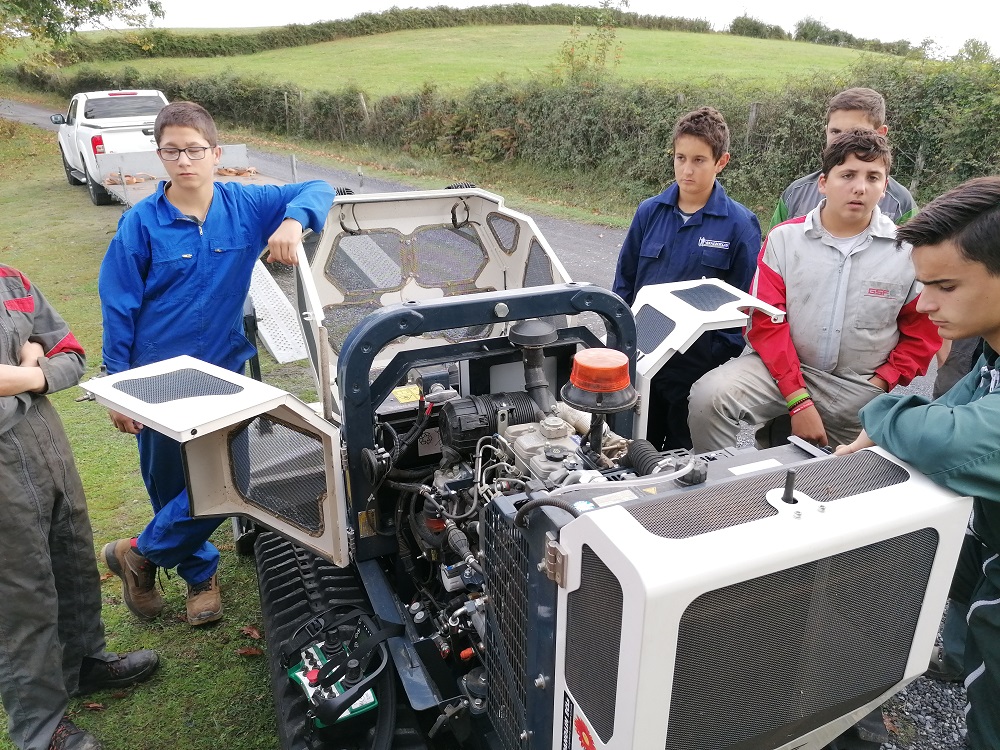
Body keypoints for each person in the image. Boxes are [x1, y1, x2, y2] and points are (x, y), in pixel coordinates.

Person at [99, 101, 335, 627]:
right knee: (169, 483)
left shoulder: (246, 205)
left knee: (235, 480)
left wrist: (294, 222)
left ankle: (138, 554)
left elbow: (318, 187)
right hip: (154, 378)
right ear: (160, 156)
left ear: (215, 153)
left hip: (225, 371)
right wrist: (118, 387)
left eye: (194, 150)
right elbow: (117, 304)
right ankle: (198, 576)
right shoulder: (140, 224)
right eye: (172, 151)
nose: (184, 161)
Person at [835, 176, 1000, 750]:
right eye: (923, 285)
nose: (925, 305)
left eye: (946, 286)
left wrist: (883, 413)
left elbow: (946, 439)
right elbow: (958, 402)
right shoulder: (993, 348)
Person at [687, 129, 939, 452]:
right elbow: (764, 323)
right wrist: (798, 400)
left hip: (859, 385)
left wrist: (883, 380)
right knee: (710, 398)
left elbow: (922, 333)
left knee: (836, 485)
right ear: (823, 182)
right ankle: (725, 492)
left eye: (873, 177)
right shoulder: (784, 240)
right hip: (777, 370)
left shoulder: (907, 252)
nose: (860, 188)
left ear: (885, 187)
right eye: (847, 175)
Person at [0, 265, 159, 750]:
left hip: (46, 440)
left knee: (72, 558)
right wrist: (34, 365)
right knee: (20, 592)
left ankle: (85, 661)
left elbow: (71, 355)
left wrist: (24, 375)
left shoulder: (12, 282)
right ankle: (40, 728)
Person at [611, 106, 761, 450]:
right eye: (680, 157)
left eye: (699, 160)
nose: (687, 169)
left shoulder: (739, 224)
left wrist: (710, 358)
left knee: (683, 461)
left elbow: (742, 306)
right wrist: (623, 345)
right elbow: (624, 283)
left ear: (721, 162)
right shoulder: (649, 211)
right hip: (642, 360)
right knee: (629, 450)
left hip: (694, 369)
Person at [769, 87, 917, 231]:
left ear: (881, 133)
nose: (844, 140)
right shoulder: (796, 193)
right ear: (826, 131)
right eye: (835, 132)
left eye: (856, 132)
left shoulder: (901, 202)